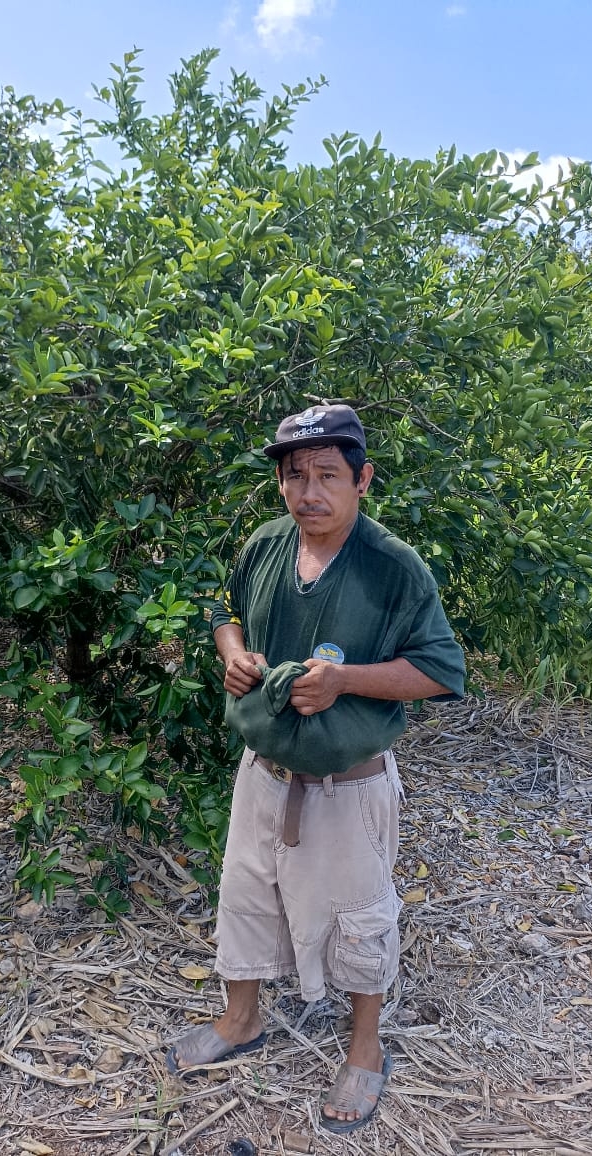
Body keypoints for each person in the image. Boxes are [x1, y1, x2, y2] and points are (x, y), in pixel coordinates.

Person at [166, 404, 466, 1133]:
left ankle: (365, 1051)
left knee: (361, 924)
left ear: (362, 480)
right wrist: (232, 653)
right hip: (263, 770)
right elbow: (223, 607)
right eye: (295, 475)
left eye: (328, 474)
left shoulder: (392, 566)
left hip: (348, 784)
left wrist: (345, 680)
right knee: (243, 899)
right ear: (280, 485)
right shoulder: (268, 544)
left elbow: (439, 669)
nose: (310, 492)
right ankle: (241, 1020)